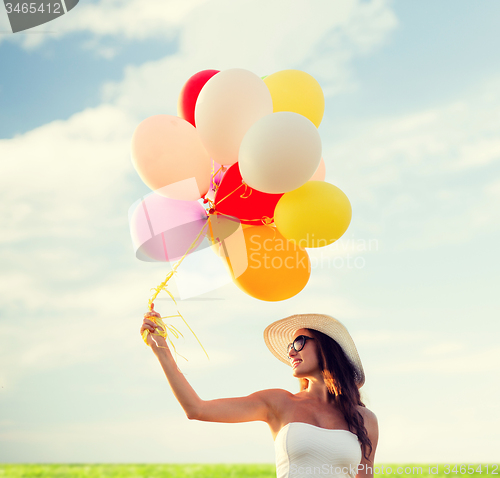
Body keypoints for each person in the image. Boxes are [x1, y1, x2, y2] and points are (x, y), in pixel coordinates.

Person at [140, 311, 378, 478]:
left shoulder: (364, 419)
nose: (291, 352)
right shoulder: (279, 402)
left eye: (299, 342)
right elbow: (197, 409)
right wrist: (161, 349)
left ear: (326, 345)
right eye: (289, 348)